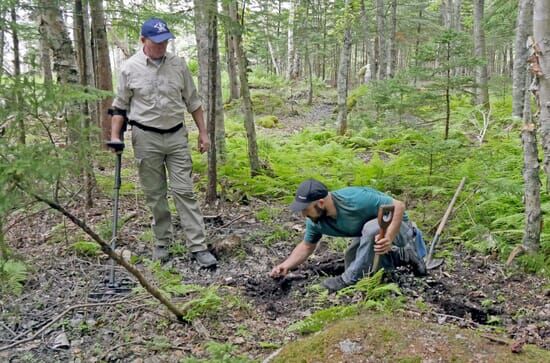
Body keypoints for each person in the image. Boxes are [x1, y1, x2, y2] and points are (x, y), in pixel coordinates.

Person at [109, 18, 216, 267]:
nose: (162, 46)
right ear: (143, 40)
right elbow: (120, 106)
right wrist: (115, 137)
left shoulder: (178, 65)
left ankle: (198, 246)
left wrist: (203, 133)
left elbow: (193, 101)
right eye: (156, 42)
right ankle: (162, 244)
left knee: (184, 191)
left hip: (177, 135)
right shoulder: (129, 68)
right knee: (155, 194)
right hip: (145, 136)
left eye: (165, 41)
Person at [270, 179, 427, 292]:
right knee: (354, 259)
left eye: (306, 209)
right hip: (367, 235)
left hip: (398, 228)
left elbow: (398, 205)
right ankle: (404, 257)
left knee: (371, 231)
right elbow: (306, 246)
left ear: (320, 203)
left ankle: (346, 280)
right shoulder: (315, 220)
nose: (304, 214)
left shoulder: (356, 199)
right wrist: (286, 265)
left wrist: (390, 236)